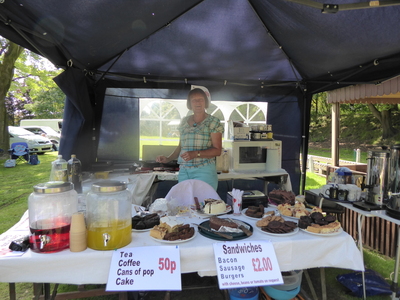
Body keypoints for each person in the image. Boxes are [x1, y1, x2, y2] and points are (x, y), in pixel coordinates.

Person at [156, 87, 224, 190]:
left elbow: (217, 150)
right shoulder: (184, 121)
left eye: (201, 99)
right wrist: (168, 158)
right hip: (184, 171)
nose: (197, 102)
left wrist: (195, 154)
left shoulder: (213, 122)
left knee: (204, 203)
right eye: (194, 100)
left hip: (204, 170)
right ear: (190, 104)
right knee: (185, 204)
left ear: (205, 102)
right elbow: (181, 146)